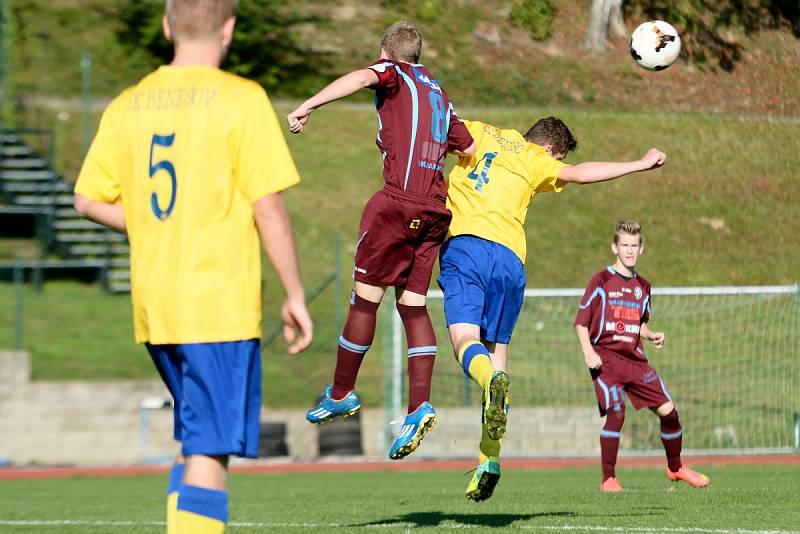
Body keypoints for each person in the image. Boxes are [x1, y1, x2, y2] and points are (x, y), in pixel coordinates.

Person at [73, 1, 313, 532]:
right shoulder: (241, 99)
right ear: (228, 29)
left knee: (193, 437)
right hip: (215, 305)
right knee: (209, 448)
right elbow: (267, 206)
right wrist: (294, 293)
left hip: (156, 308)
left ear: (166, 26)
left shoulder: (128, 104)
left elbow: (87, 200)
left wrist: (159, 221)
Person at [439, 117, 668, 501]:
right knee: (498, 354)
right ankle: (488, 459)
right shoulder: (536, 160)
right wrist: (640, 164)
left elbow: (436, 124)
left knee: (465, 340)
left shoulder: (481, 130)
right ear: (549, 150)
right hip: (510, 259)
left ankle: (488, 385)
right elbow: (580, 173)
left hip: (466, 245)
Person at [287, 21, 476, 460]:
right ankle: (420, 405)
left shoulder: (394, 74)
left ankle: (341, 392)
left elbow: (359, 78)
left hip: (397, 205)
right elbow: (465, 147)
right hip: (434, 212)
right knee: (412, 305)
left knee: (364, 300)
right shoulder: (440, 94)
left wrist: (308, 105)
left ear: (386, 55)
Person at [574, 221, 710, 492]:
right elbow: (580, 322)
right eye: (624, 245)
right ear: (615, 247)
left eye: (634, 246)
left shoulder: (644, 287)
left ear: (641, 249)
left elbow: (638, 323)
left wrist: (651, 334)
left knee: (670, 413)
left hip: (635, 362)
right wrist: (588, 351)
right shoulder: (600, 281)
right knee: (616, 412)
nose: (629, 251)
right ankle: (608, 479)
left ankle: (675, 467)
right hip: (605, 359)